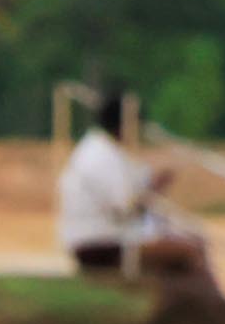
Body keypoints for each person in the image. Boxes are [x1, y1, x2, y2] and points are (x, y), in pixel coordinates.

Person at [56, 93, 214, 293]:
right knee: (191, 250)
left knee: (185, 242)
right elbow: (127, 206)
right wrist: (154, 187)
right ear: (125, 124)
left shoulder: (101, 150)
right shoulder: (102, 157)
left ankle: (191, 308)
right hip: (102, 246)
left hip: (103, 241)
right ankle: (211, 311)